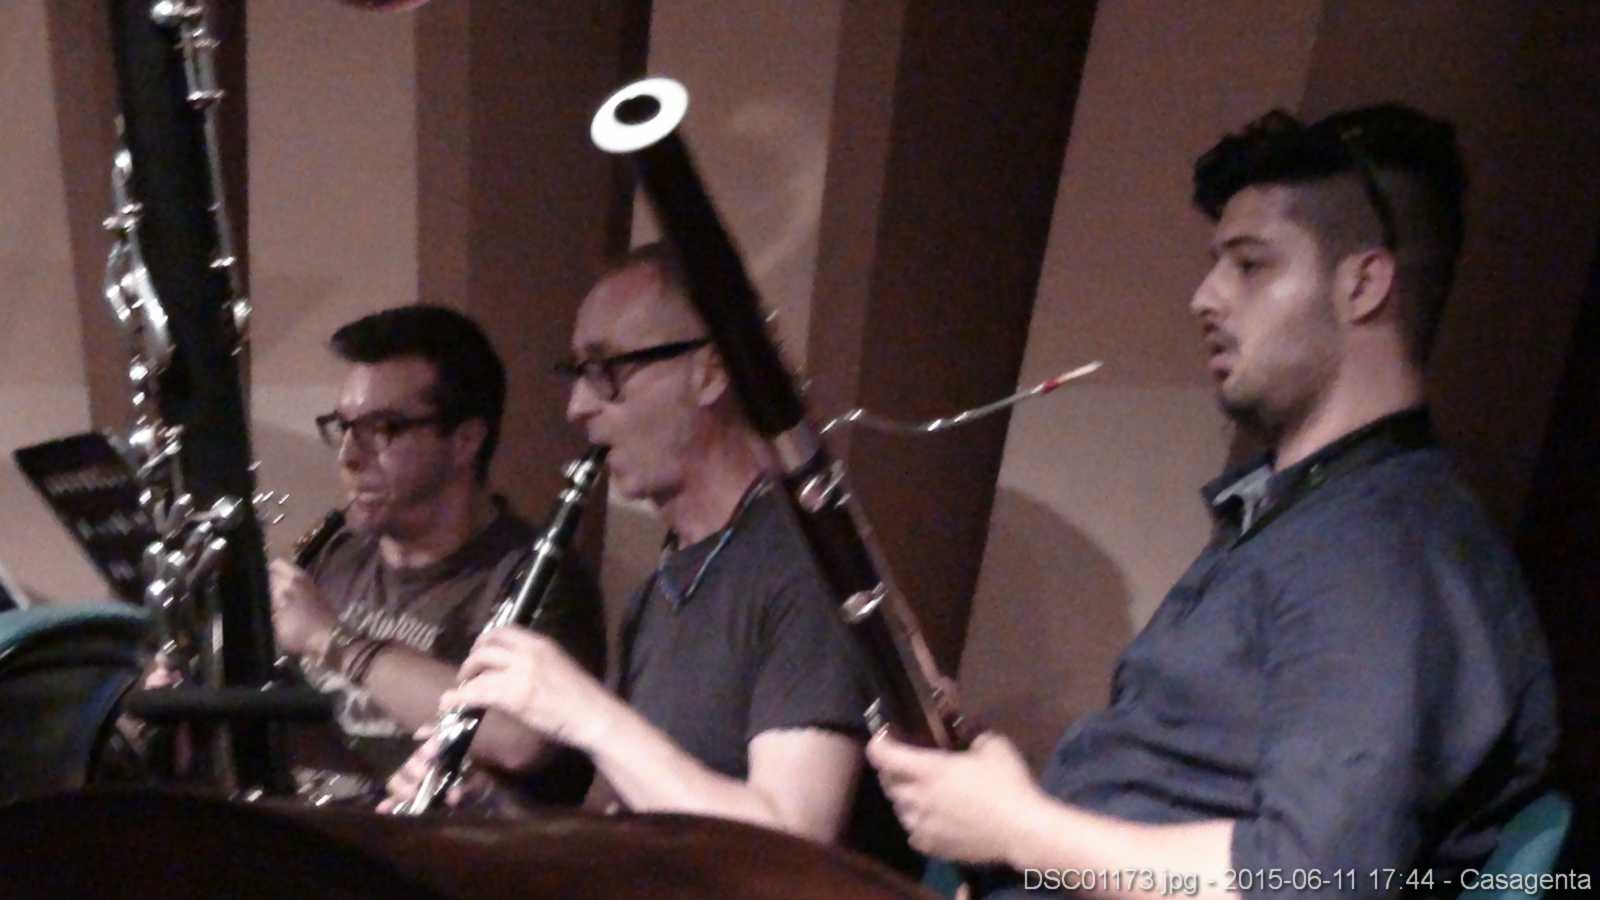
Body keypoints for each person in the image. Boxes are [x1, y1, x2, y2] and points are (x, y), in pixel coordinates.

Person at [867, 104, 1558, 898]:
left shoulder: (1381, 556)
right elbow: (1172, 792)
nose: (1204, 297)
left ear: (1363, 285)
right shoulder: (1302, 513)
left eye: (1250, 265)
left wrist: (1019, 827)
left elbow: (1304, 882)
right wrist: (988, 799)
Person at [386, 246, 904, 861]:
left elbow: (788, 845)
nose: (578, 406)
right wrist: (493, 811)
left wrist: (586, 713)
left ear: (710, 371)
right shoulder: (659, 588)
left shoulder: (809, 566)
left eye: (606, 370)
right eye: (577, 372)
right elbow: (614, 826)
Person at [269, 304, 605, 806]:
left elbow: (518, 738)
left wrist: (331, 640)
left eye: (382, 428)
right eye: (344, 426)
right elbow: (342, 747)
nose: (349, 456)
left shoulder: (534, 576)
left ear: (465, 440)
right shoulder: (337, 555)